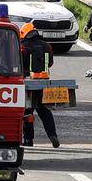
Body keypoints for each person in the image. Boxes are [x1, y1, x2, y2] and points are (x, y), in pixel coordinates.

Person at [19, 19, 60, 148]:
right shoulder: (46, 45)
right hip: (44, 82)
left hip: (27, 84)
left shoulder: (22, 46)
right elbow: (51, 63)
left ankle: (28, 140)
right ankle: (53, 135)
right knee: (45, 111)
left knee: (27, 112)